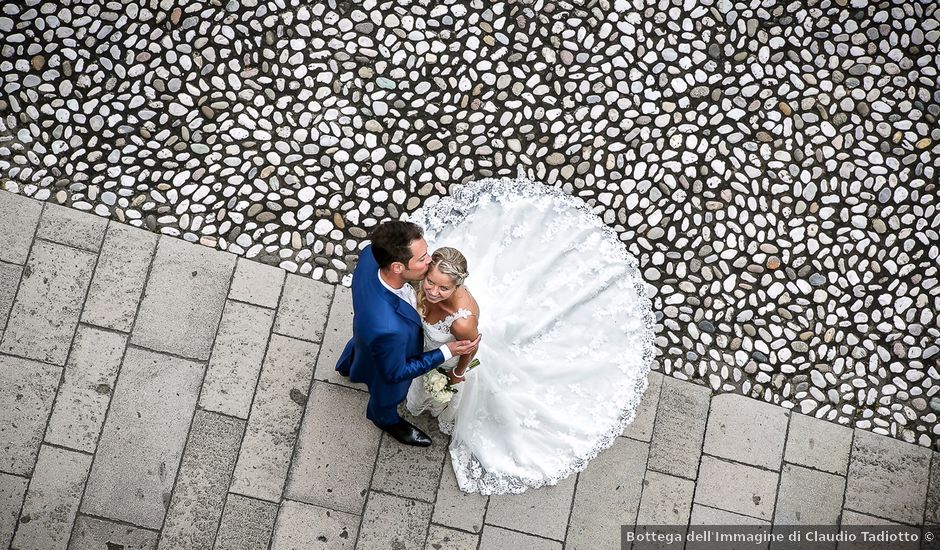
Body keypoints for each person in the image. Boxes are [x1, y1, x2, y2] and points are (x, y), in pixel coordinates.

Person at [402, 176, 656, 495]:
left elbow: (469, 350)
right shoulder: (425, 283)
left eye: (444, 288)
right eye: (431, 281)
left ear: (458, 287)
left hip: (451, 356)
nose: (433, 291)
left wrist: (455, 375)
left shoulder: (463, 321)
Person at [335, 221, 481, 447]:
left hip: (365, 332)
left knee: (362, 347)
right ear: (397, 267)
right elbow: (396, 372)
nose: (429, 260)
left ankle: (349, 363)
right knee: (385, 395)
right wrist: (446, 351)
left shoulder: (371, 255)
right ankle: (385, 420)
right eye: (422, 259)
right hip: (385, 346)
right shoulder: (389, 328)